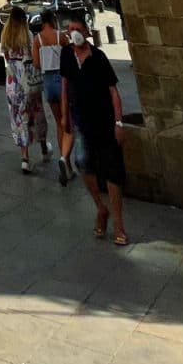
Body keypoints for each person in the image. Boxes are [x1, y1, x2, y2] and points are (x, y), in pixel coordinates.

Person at [60, 13, 128, 245]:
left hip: (105, 123)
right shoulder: (67, 54)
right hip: (81, 122)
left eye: (77, 28)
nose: (73, 33)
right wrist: (64, 116)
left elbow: (113, 92)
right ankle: (101, 208)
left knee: (112, 173)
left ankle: (119, 224)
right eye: (70, 29)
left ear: (87, 32)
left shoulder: (99, 57)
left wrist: (119, 122)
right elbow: (65, 85)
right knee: (83, 164)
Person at [1, 5, 47, 173]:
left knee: (19, 117)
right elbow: (35, 59)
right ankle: (43, 147)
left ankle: (25, 157)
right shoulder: (28, 35)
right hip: (28, 79)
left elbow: (6, 57)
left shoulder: (5, 36)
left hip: (12, 81)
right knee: (37, 112)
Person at [33, 8, 74, 184]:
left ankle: (64, 159)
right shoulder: (61, 36)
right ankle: (66, 160)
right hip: (63, 79)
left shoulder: (38, 39)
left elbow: (36, 63)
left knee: (59, 123)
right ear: (53, 20)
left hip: (48, 81)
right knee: (69, 123)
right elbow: (71, 57)